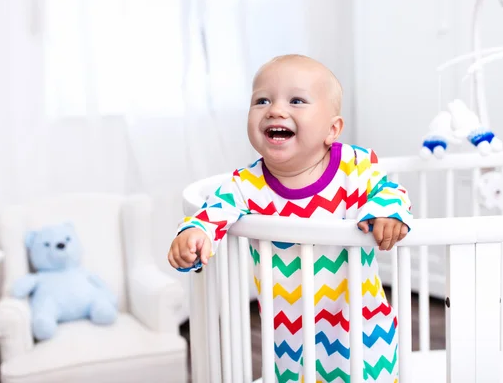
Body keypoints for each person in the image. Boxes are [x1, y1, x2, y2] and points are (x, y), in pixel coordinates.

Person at [168, 54, 412, 382]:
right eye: (262, 100)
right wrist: (194, 234)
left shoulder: (354, 167)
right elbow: (212, 213)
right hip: (289, 337)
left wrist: (386, 212)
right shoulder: (246, 186)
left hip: (363, 329)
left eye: (296, 100)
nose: (276, 109)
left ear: (332, 129)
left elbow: (390, 191)